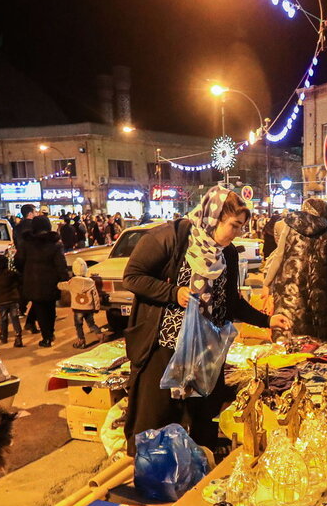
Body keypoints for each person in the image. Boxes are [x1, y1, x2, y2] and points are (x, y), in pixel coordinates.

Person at [123, 187, 290, 452]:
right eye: (234, 225)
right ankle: (153, 477)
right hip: (164, 349)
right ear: (214, 216)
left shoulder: (228, 254)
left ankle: (199, 477)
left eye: (241, 227)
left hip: (206, 351)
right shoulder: (170, 238)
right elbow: (133, 277)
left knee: (203, 418)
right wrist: (172, 292)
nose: (237, 233)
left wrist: (266, 321)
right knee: (156, 419)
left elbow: (230, 302)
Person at [264, 198, 327, 339]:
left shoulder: (291, 225)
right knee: (313, 339)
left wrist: (267, 283)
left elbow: (279, 255)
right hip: (317, 294)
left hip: (288, 290)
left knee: (287, 332)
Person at [16, 214, 68, 347]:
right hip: (51, 282)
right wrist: (64, 279)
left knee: (40, 310)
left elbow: (19, 261)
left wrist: (25, 273)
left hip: (32, 281)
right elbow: (60, 264)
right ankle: (50, 333)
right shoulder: (55, 243)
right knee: (50, 309)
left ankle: (46, 338)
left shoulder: (27, 243)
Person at [60, 257, 102, 348]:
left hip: (78, 309)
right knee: (91, 323)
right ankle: (100, 335)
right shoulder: (91, 282)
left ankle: (81, 340)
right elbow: (95, 296)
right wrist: (97, 307)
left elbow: (64, 285)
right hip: (89, 308)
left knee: (78, 325)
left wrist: (57, 284)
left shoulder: (72, 282)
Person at [14, 204, 39, 333]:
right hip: (33, 261)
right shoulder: (34, 226)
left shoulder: (17, 227)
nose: (36, 213)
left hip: (21, 261)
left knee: (26, 286)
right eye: (35, 211)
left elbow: (16, 244)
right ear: (30, 213)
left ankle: (22, 308)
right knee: (40, 293)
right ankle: (30, 320)